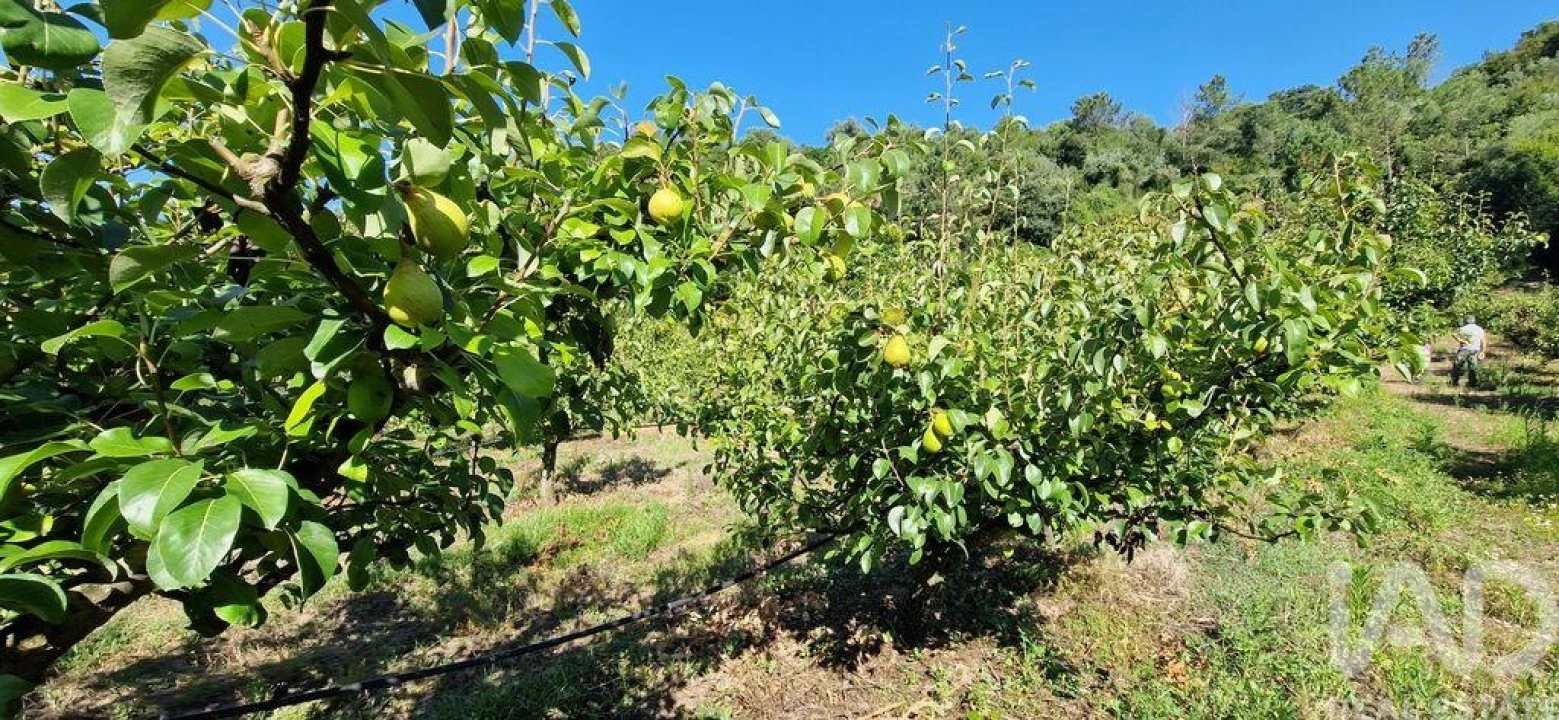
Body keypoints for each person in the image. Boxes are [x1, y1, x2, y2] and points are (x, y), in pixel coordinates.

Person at [1449, 316, 1486, 389]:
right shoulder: (1479, 329)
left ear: (1466, 321)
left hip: (1464, 349)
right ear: (1474, 321)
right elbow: (1483, 341)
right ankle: (1473, 384)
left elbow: (1453, 334)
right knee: (1473, 367)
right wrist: (1483, 351)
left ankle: (1454, 382)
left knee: (1457, 365)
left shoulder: (1463, 328)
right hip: (1475, 350)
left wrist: (1460, 340)